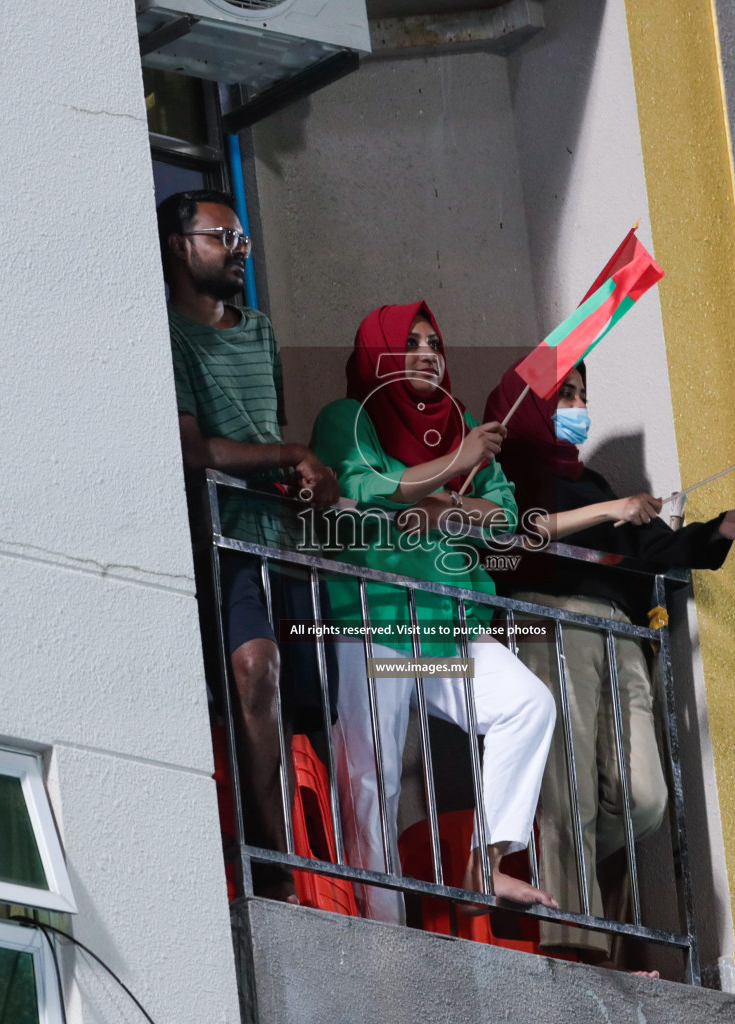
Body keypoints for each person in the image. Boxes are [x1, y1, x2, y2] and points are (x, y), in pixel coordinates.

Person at [484, 362, 735, 961]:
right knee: (570, 797)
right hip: (550, 619)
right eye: (565, 394)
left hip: (620, 632)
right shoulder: (505, 475)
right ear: (530, 404)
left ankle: (566, 906)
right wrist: (611, 511)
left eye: (582, 395)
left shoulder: (594, 483)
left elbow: (649, 550)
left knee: (644, 797)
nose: (576, 405)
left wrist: (715, 531)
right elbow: (508, 542)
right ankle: (576, 947)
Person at [308, 302, 558, 922]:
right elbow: (360, 488)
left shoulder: (464, 424)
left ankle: (486, 864)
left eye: (434, 342)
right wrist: (453, 468)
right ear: (379, 355)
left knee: (528, 705)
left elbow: (501, 517)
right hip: (377, 615)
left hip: (447, 623)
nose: (426, 352)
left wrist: (440, 494)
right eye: (410, 343)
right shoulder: (348, 418)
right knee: (374, 775)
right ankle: (381, 922)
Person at [158, 189, 340, 904]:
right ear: (180, 247)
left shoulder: (258, 330)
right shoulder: (165, 334)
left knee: (314, 701)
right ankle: (272, 869)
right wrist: (293, 453)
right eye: (223, 237)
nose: (240, 251)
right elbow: (193, 450)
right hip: (220, 539)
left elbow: (265, 437)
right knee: (254, 669)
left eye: (243, 240)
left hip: (280, 540)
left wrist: (303, 478)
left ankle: (328, 875)